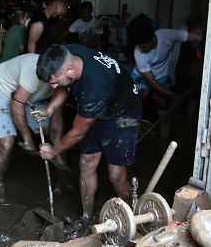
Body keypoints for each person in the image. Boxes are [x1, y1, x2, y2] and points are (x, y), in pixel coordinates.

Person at [35, 44, 141, 224]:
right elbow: (63, 87)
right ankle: (86, 218)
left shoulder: (95, 86)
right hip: (97, 108)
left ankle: (134, 219)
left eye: (54, 81)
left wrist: (53, 152)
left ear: (70, 69)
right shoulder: (65, 53)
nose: (52, 87)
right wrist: (49, 110)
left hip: (123, 112)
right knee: (86, 163)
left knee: (115, 176)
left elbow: (77, 133)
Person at [0, 53, 66, 199]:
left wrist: (57, 149)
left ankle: (62, 180)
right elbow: (17, 104)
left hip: (28, 96)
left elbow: (57, 117)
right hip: (1, 90)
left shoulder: (64, 77)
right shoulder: (32, 72)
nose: (54, 85)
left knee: (49, 133)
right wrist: (27, 138)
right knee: (7, 142)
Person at [129, 16, 204, 104]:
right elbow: (152, 82)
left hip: (161, 78)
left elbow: (197, 36)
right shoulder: (138, 53)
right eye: (139, 46)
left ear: (153, 39)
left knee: (163, 105)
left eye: (144, 46)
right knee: (136, 104)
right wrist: (174, 95)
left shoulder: (166, 35)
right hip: (141, 79)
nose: (141, 49)